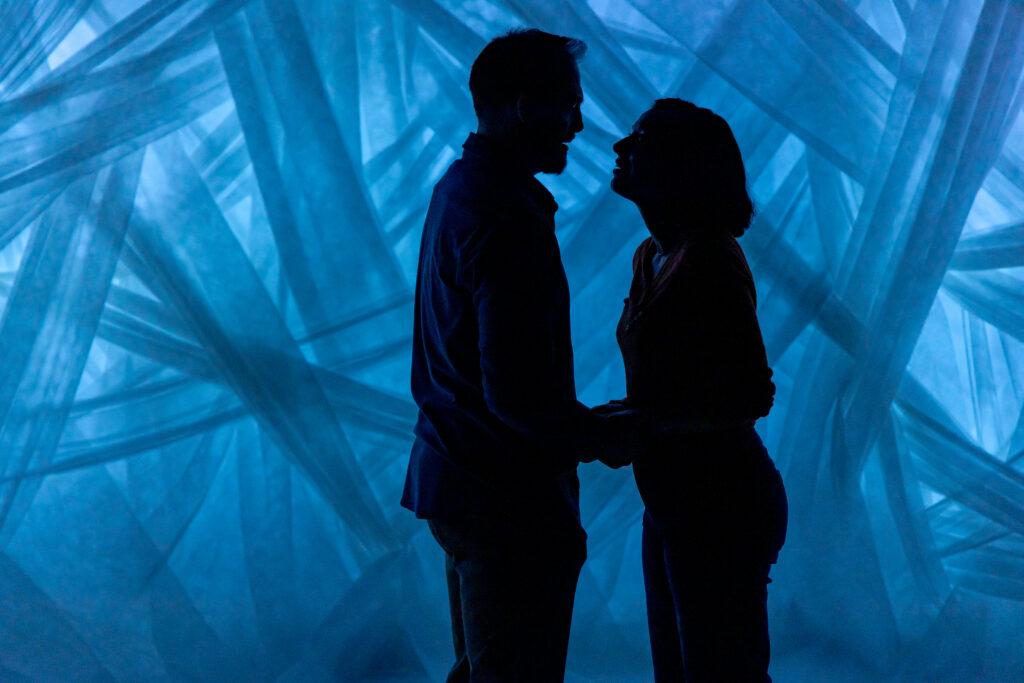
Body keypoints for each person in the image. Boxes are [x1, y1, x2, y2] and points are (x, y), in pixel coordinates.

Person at [401, 28, 641, 682]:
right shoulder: (506, 212)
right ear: (524, 107)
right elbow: (513, 394)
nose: (579, 125)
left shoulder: (459, 189)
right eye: (569, 105)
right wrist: (599, 434)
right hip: (504, 499)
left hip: (460, 479)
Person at [602, 99, 788, 682]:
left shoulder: (709, 257)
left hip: (722, 504)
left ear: (680, 163)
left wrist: (644, 424)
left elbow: (751, 395)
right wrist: (631, 416)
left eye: (640, 139)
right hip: (673, 502)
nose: (620, 147)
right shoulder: (650, 256)